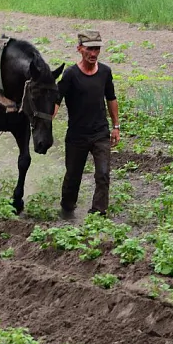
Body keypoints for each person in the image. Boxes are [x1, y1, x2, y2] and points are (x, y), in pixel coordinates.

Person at [54, 30, 121, 218]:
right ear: (80, 49)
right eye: (90, 49)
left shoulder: (105, 72)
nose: (94, 53)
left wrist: (116, 127)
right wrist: (46, 118)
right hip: (77, 136)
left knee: (103, 174)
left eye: (97, 49)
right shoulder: (70, 75)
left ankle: (98, 212)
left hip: (100, 133)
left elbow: (111, 98)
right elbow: (56, 100)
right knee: (73, 177)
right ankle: (67, 208)